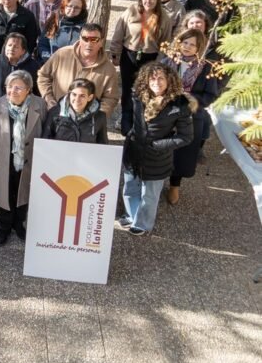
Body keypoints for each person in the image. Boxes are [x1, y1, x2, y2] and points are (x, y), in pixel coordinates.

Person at [120, 63, 194, 235]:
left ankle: (143, 224)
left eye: (161, 78)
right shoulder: (138, 95)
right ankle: (131, 215)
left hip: (157, 156)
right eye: (152, 78)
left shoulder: (180, 104)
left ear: (169, 80)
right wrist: (127, 130)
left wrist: (157, 145)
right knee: (130, 186)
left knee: (150, 194)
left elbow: (185, 137)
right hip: (134, 150)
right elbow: (127, 113)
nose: (156, 82)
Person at [0, 69, 47, 245]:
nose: (13, 91)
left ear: (29, 90)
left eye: (18, 88)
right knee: (4, 194)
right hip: (3, 160)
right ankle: (4, 226)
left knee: (23, 193)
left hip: (28, 160)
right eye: (9, 87)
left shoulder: (39, 105)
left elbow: (46, 133)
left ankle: (19, 224)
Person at [159, 29, 219, 206]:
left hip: (191, 115)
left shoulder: (206, 67)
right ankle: (155, 182)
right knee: (161, 149)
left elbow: (211, 95)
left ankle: (174, 185)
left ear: (199, 47)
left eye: (192, 44)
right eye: (185, 42)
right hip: (165, 113)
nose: (187, 47)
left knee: (182, 154)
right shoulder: (167, 62)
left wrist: (191, 100)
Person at [110, 0, 173, 133]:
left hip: (150, 57)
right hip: (129, 55)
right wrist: (115, 53)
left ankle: (141, 119)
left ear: (157, 0)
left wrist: (159, 61)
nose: (148, 1)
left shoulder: (164, 17)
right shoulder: (131, 11)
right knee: (127, 88)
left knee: (145, 89)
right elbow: (119, 33)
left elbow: (166, 43)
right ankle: (126, 118)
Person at [37, 22, 120, 116]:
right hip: (57, 115)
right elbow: (43, 76)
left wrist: (97, 117)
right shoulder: (61, 54)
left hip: (87, 122)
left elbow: (111, 98)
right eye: (85, 39)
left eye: (94, 39)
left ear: (101, 42)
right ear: (80, 39)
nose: (89, 44)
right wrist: (49, 100)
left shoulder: (108, 69)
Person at [41, 78, 108, 144]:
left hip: (85, 154)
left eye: (82, 96)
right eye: (74, 94)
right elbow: (45, 140)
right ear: (69, 94)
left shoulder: (99, 117)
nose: (77, 99)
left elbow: (103, 145)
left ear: (89, 97)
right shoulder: (54, 113)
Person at [36, 0, 88, 64]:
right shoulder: (53, 22)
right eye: (69, 6)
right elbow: (42, 44)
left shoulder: (85, 29)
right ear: (64, 6)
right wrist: (49, 59)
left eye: (77, 8)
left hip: (74, 67)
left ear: (82, 10)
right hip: (51, 65)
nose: (72, 10)